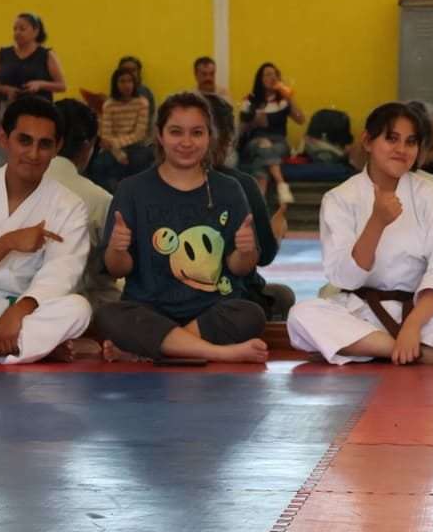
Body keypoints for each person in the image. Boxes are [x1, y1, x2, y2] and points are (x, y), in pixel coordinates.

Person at [287, 102, 433, 366]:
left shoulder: (432, 195)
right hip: (361, 313)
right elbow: (343, 278)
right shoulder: (339, 199)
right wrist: (376, 223)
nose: (401, 150)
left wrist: (413, 325)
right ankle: (422, 353)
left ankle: (375, 347)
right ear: (367, 141)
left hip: (420, 313)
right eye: (391, 139)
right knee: (302, 315)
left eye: (410, 142)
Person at [94, 91, 268, 363]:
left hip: (210, 310)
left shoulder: (229, 189)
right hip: (150, 310)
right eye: (176, 132)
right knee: (108, 315)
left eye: (197, 133)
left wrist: (245, 252)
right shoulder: (132, 190)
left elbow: (239, 268)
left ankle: (153, 350)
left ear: (209, 136)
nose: (186, 142)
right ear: (160, 135)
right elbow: (118, 269)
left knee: (250, 314)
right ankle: (217, 353)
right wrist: (117, 248)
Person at [0, 97, 91, 363]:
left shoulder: (69, 206)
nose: (33, 154)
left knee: (79, 309)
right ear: (3, 138)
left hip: (22, 317)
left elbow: (61, 276)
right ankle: (15, 348)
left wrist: (19, 312)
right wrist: (7, 243)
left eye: (45, 144)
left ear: (58, 148)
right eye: (24, 140)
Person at [207, 93, 295, 320]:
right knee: (283, 296)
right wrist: (277, 231)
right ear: (229, 139)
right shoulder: (240, 185)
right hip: (228, 299)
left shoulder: (146, 183)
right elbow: (263, 255)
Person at [46, 99, 120, 308]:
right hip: (80, 304)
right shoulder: (99, 199)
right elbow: (113, 267)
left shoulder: (9, 184)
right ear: (88, 146)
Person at [238, 62, 305, 203]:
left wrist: (289, 98)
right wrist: (253, 122)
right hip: (255, 141)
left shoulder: (283, 101)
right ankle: (281, 183)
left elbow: (300, 119)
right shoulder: (250, 100)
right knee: (263, 143)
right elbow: (240, 130)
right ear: (260, 79)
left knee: (261, 160)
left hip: (279, 141)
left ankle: (259, 202)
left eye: (275, 75)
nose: (272, 78)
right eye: (268, 75)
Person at [89, 66, 154, 193]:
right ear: (115, 84)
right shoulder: (109, 104)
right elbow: (106, 134)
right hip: (112, 149)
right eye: (122, 81)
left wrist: (115, 144)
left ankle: (137, 194)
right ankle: (110, 195)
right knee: (98, 165)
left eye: (129, 81)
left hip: (135, 145)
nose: (126, 85)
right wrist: (118, 153)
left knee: (141, 160)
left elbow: (139, 133)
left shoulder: (142, 103)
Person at [0, 13, 66, 103]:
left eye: (22, 29)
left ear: (36, 32)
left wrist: (40, 84)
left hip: (39, 107)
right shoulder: (4, 53)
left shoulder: (47, 55)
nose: (17, 32)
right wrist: (5, 89)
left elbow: (62, 86)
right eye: (15, 29)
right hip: (9, 106)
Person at [117, 56, 156, 135]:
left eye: (133, 70)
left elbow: (150, 119)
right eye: (125, 70)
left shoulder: (146, 93)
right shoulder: (115, 94)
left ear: (138, 73)